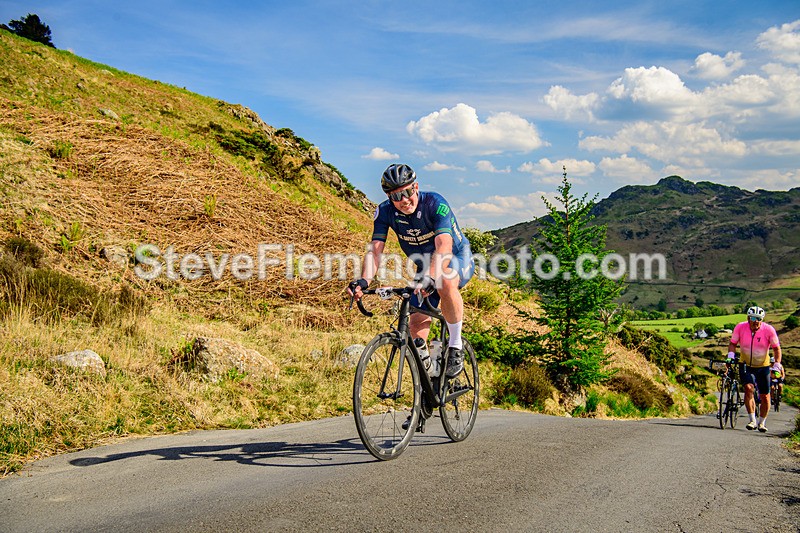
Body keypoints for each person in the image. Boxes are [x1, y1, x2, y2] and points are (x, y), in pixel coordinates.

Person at [347, 163, 475, 382]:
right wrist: (364, 280)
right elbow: (376, 250)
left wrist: (430, 277)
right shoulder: (385, 212)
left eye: (407, 192)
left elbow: (443, 245)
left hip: (454, 258)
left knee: (444, 281)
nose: (404, 200)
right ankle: (429, 380)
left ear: (415, 187)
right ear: (389, 197)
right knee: (415, 322)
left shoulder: (435, 203)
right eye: (396, 196)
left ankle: (455, 345)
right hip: (425, 266)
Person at [727, 305, 782, 432]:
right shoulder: (740, 327)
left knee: (765, 396)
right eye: (753, 318)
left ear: (762, 319)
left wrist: (777, 364)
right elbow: (733, 343)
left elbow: (776, 348)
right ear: (748, 318)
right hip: (746, 364)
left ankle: (762, 422)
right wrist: (731, 356)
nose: (755, 321)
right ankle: (752, 420)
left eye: (758, 318)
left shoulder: (768, 330)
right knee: (748, 388)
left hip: (763, 366)